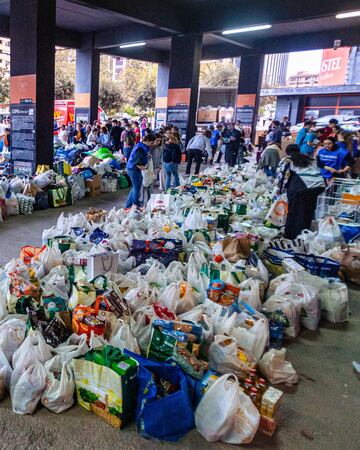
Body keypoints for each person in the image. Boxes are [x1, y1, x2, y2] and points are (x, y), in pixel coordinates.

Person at [279, 144, 325, 239]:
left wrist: (280, 190)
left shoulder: (288, 160)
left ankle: (292, 235)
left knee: (295, 212)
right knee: (308, 210)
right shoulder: (309, 158)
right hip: (318, 187)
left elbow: (283, 177)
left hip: (301, 188)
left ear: (287, 152)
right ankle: (305, 233)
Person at [125, 133, 157, 210]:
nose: (152, 144)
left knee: (135, 188)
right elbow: (137, 162)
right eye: (152, 143)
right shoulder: (140, 148)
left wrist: (147, 156)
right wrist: (145, 169)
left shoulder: (142, 145)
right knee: (137, 188)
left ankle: (128, 206)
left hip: (133, 169)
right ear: (147, 140)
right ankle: (136, 205)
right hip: (133, 169)